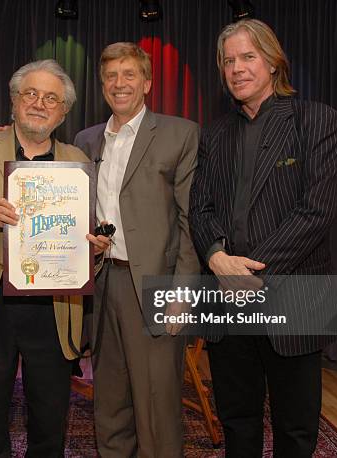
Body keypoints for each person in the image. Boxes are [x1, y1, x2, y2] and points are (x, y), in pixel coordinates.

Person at [189, 19, 337, 457]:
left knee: (296, 428)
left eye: (248, 57)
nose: (236, 69)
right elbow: (199, 208)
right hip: (226, 295)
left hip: (290, 297)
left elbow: (316, 212)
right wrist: (217, 257)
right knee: (237, 419)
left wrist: (248, 269)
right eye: (228, 60)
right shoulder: (215, 133)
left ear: (274, 62)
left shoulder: (315, 120)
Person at [0, 59, 89, 458]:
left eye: (51, 98)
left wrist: (95, 243)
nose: (39, 104)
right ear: (13, 100)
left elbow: (91, 226)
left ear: (63, 111)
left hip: (54, 307)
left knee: (49, 417)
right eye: (31, 93)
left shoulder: (79, 161)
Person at [74, 42, 200, 458]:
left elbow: (189, 220)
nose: (119, 83)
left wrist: (183, 291)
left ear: (146, 82)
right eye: (111, 76)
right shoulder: (85, 139)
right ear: (102, 84)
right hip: (102, 281)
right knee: (108, 396)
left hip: (154, 284)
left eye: (129, 74)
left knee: (157, 404)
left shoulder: (180, 133)